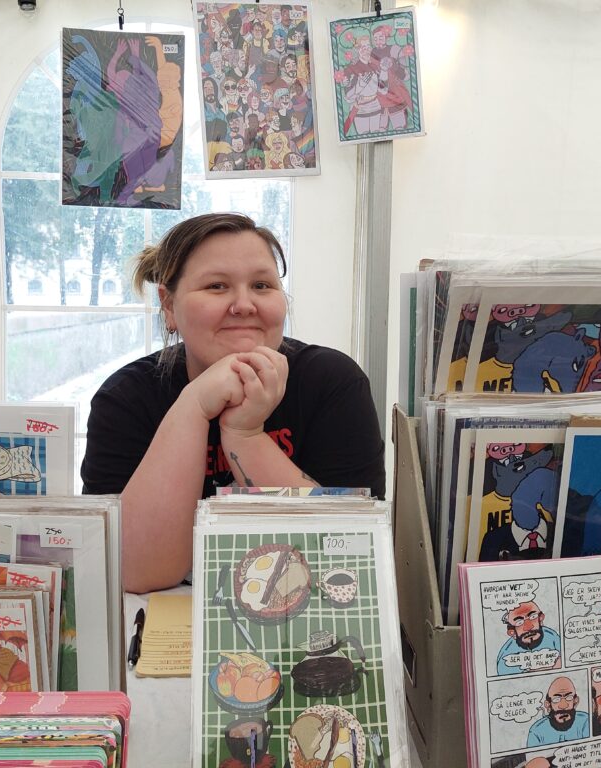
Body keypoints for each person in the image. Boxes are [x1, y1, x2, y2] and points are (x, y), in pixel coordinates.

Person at [81, 214, 385, 593]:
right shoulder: (126, 399)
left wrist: (245, 434)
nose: (244, 305)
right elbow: (137, 572)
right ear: (169, 305)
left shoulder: (332, 383)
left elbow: (346, 556)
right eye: (216, 286)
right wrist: (193, 405)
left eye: (261, 285)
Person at [495, 600, 562, 675]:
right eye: (519, 622)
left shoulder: (552, 636)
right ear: (512, 632)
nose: (528, 627)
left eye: (533, 617)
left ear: (541, 618)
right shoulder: (506, 656)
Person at [527, 677, 589, 746]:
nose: (563, 705)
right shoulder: (537, 731)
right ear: (548, 705)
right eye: (556, 699)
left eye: (569, 697)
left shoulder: (586, 721)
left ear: (575, 701)